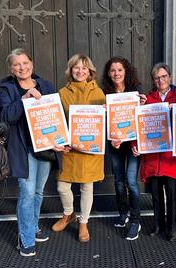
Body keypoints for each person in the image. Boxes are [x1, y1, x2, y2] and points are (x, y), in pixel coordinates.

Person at [0, 48, 62, 257]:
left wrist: (58, 140)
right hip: (22, 147)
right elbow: (6, 116)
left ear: (31, 64)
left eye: (25, 63)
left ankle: (33, 227)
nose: (22, 67)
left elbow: (55, 115)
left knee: (39, 191)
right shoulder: (6, 89)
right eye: (17, 64)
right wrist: (24, 99)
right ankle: (25, 239)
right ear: (11, 68)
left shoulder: (47, 85)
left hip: (44, 147)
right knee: (26, 193)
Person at [51, 54, 106, 242]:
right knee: (62, 186)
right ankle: (68, 214)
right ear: (70, 70)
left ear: (90, 71)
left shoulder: (99, 93)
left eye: (84, 68)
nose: (80, 71)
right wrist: (60, 141)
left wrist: (106, 113)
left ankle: (83, 223)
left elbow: (105, 123)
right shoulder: (62, 93)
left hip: (90, 149)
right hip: (70, 149)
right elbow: (56, 120)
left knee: (86, 187)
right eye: (76, 67)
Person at [101, 56, 145, 240]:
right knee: (118, 181)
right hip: (116, 143)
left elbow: (145, 119)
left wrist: (144, 104)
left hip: (133, 143)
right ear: (108, 74)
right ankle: (123, 212)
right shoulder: (105, 93)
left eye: (119, 70)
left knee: (131, 181)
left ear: (126, 71)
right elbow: (101, 123)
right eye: (112, 70)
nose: (116, 73)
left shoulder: (136, 92)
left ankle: (135, 220)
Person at [138, 63, 176, 241]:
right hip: (153, 155)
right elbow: (139, 125)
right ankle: (158, 225)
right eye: (157, 78)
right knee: (156, 194)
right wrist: (137, 144)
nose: (160, 80)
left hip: (170, 156)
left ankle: (172, 228)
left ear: (170, 77)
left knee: (171, 194)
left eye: (164, 77)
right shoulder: (148, 99)